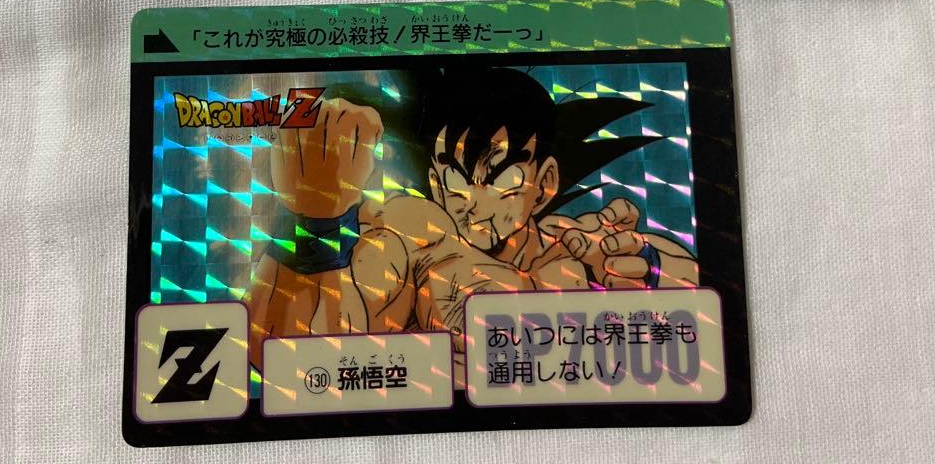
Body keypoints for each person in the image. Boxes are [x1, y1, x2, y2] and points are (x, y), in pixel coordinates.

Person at [243, 67, 697, 376]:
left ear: (545, 181)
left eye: (496, 176)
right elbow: (282, 355)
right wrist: (318, 223)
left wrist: (648, 265)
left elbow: (695, 287)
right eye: (453, 177)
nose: (471, 202)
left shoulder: (573, 241)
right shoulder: (410, 234)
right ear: (435, 181)